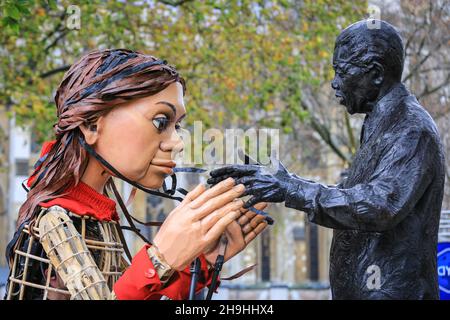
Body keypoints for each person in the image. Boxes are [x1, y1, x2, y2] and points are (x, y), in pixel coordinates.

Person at [208, 20, 445, 299]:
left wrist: (290, 190)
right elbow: (354, 199)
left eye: (341, 71)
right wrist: (286, 181)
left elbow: (380, 205)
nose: (334, 83)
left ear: (376, 74)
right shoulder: (380, 123)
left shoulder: (410, 129)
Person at [5, 49, 268, 300]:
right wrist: (159, 259)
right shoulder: (55, 222)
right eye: (160, 122)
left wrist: (201, 261)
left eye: (177, 126)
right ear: (91, 124)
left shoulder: (98, 215)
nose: (176, 143)